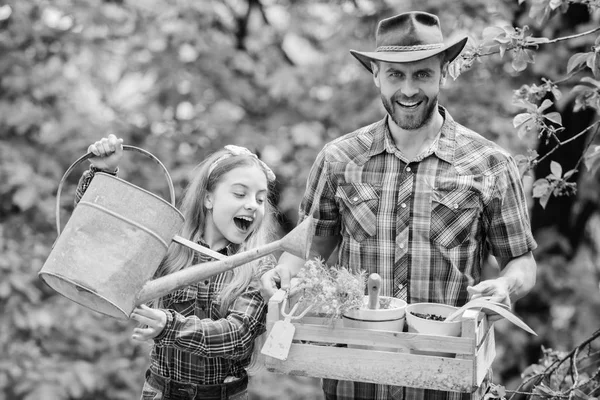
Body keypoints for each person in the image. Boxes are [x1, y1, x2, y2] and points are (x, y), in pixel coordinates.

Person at [261, 11, 538, 400]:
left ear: (444, 71)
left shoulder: (490, 164)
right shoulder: (339, 159)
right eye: (395, 75)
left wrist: (507, 285)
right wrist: (283, 275)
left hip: (447, 382)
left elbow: (521, 262)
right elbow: (310, 247)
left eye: (422, 74)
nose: (408, 90)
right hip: (355, 381)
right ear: (375, 74)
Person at [75, 134, 279, 400]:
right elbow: (105, 233)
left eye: (261, 199)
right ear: (208, 199)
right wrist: (103, 172)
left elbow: (238, 335)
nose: (253, 204)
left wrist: (169, 326)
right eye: (240, 193)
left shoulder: (259, 265)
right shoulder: (170, 247)